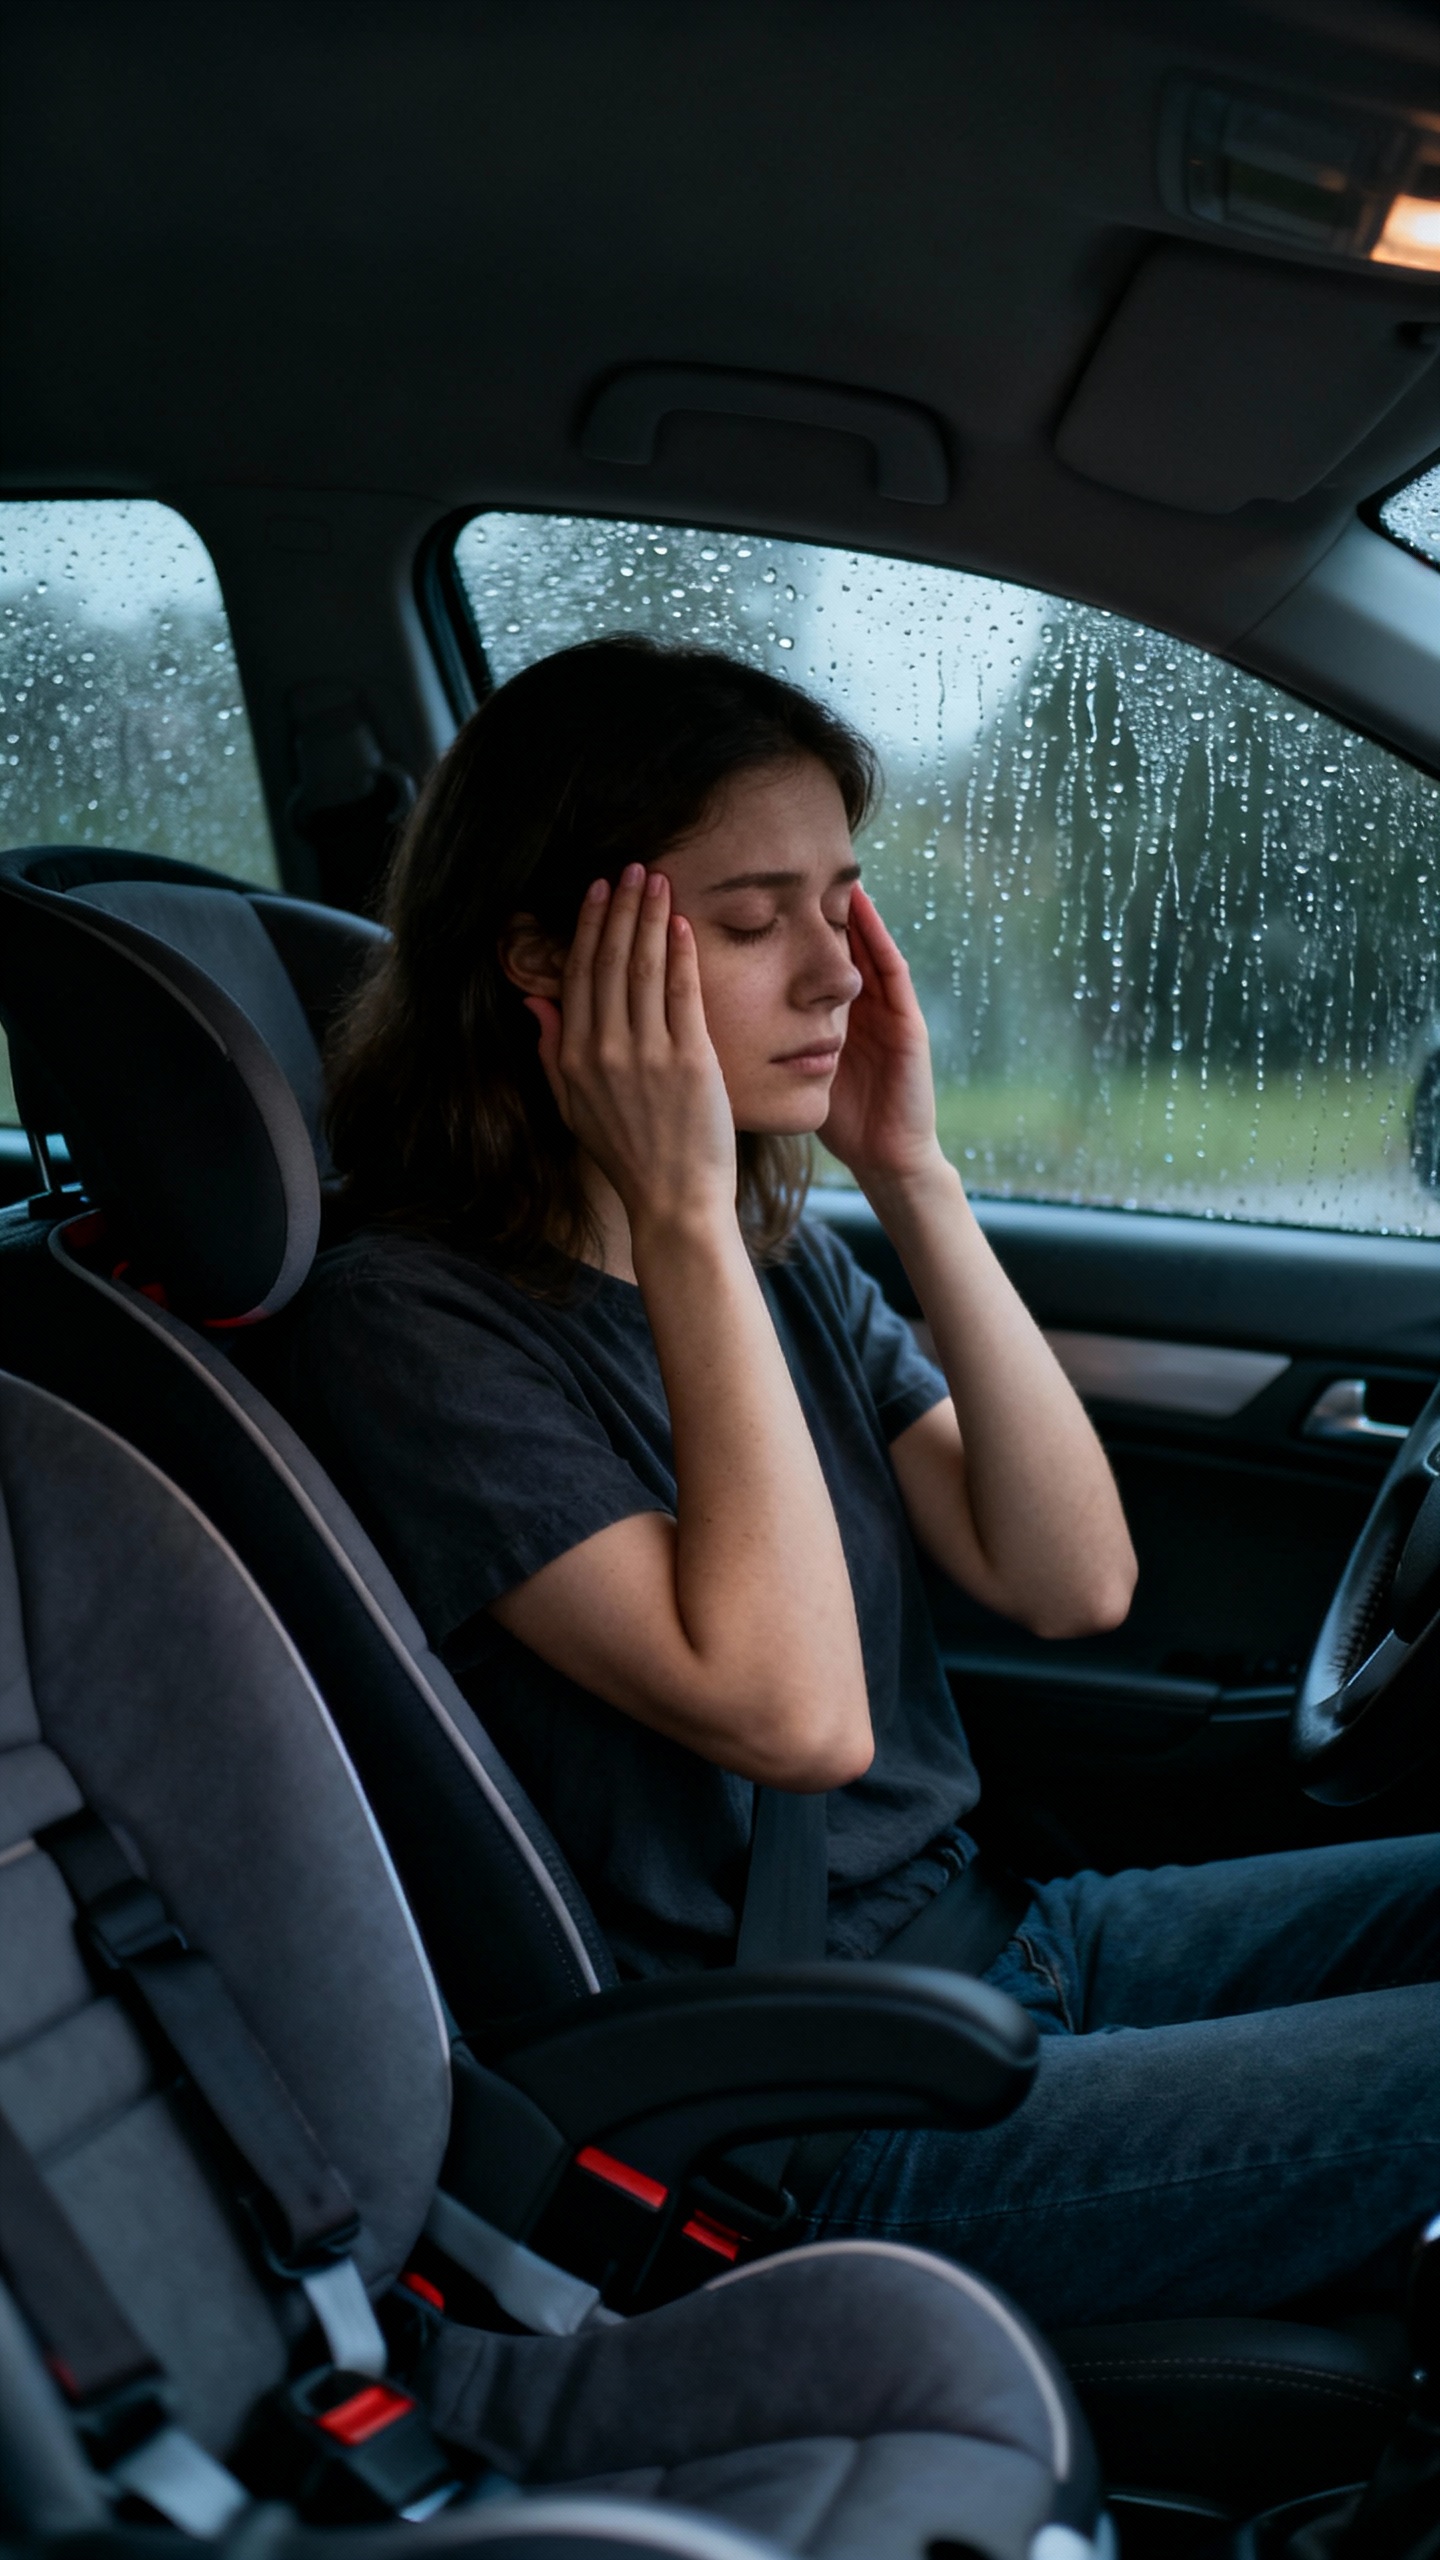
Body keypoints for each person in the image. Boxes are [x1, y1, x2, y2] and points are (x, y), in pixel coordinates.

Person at [270, 636, 1440, 2330]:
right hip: (810, 2106)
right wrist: (679, 1215)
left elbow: (1069, 1580)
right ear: (543, 961)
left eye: (843, 904)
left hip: (1012, 1944)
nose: (836, 973)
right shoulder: (418, 1331)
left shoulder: (779, 1259)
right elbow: (796, 1721)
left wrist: (909, 1174)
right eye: (752, 924)